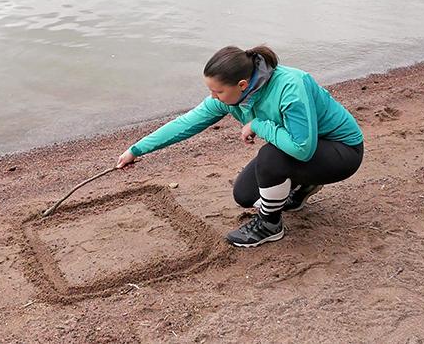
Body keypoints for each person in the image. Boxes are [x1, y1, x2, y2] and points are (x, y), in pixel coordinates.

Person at [116, 45, 364, 247]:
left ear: (242, 85)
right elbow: (185, 124)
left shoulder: (290, 87)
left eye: (218, 91)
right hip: (307, 150)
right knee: (245, 195)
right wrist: (136, 150)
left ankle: (269, 225)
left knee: (270, 156)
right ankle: (304, 186)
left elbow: (302, 148)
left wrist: (258, 125)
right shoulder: (233, 96)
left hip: (342, 151)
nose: (213, 97)